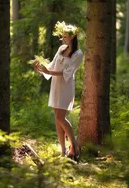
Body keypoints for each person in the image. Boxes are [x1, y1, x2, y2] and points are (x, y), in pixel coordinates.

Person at [33, 21, 83, 161]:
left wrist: (50, 71)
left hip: (66, 86)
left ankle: (75, 147)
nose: (63, 38)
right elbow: (53, 65)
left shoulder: (78, 54)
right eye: (62, 36)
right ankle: (62, 151)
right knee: (57, 119)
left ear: (72, 36)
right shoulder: (61, 48)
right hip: (56, 85)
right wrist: (41, 68)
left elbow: (67, 72)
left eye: (65, 36)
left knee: (61, 117)